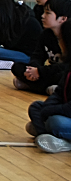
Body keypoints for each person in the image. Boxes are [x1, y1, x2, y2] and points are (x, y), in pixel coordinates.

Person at [27, 22, 71, 154]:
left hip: (66, 113)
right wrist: (46, 108)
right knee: (36, 107)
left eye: (61, 39)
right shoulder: (69, 65)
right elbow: (59, 93)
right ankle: (48, 135)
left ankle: (64, 142)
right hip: (65, 111)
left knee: (55, 122)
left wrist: (48, 112)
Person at [13, 0, 70, 94]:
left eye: (48, 13)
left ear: (62, 18)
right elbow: (37, 56)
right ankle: (51, 89)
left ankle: (34, 86)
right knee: (17, 67)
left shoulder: (68, 36)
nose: (42, 16)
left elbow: (68, 66)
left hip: (60, 72)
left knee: (64, 75)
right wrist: (34, 70)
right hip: (48, 73)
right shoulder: (46, 34)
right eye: (44, 12)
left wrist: (40, 72)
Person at [0, 0, 43, 70]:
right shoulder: (7, 20)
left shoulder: (23, 20)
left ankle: (11, 64)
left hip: (29, 56)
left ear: (3, 11)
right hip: (14, 51)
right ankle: (3, 61)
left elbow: (10, 43)